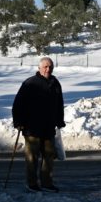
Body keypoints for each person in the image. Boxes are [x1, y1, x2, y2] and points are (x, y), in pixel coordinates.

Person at [12, 57, 65, 192]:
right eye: (45, 67)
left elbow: (59, 104)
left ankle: (47, 183)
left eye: (50, 67)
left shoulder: (55, 83)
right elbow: (18, 104)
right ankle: (32, 183)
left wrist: (59, 120)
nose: (48, 69)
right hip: (32, 128)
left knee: (49, 156)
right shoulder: (30, 83)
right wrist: (18, 122)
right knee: (32, 158)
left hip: (48, 127)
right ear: (39, 68)